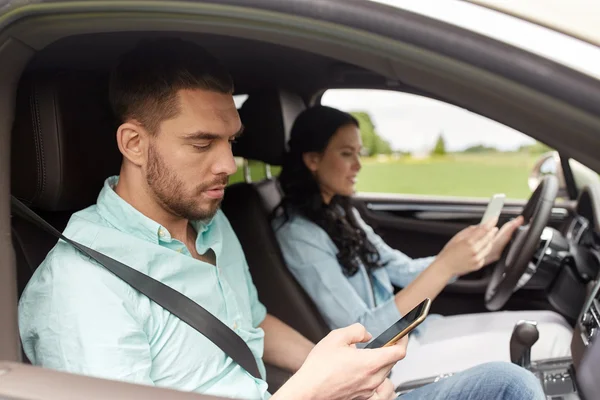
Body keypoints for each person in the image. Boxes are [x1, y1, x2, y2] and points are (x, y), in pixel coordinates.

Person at [18, 38, 545, 400]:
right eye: (202, 143)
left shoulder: (209, 219)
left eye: (232, 141)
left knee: (507, 382)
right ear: (134, 143)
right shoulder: (80, 288)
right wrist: (313, 389)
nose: (228, 165)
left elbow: (251, 322)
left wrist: (341, 370)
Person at [273, 105, 573, 385]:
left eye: (359, 153)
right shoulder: (299, 234)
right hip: (387, 362)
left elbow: (401, 269)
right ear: (312, 160)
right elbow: (364, 335)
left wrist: (477, 255)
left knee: (551, 321)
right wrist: (445, 265)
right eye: (347, 153)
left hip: (413, 334)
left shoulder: (340, 212)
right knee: (556, 339)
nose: (359, 165)